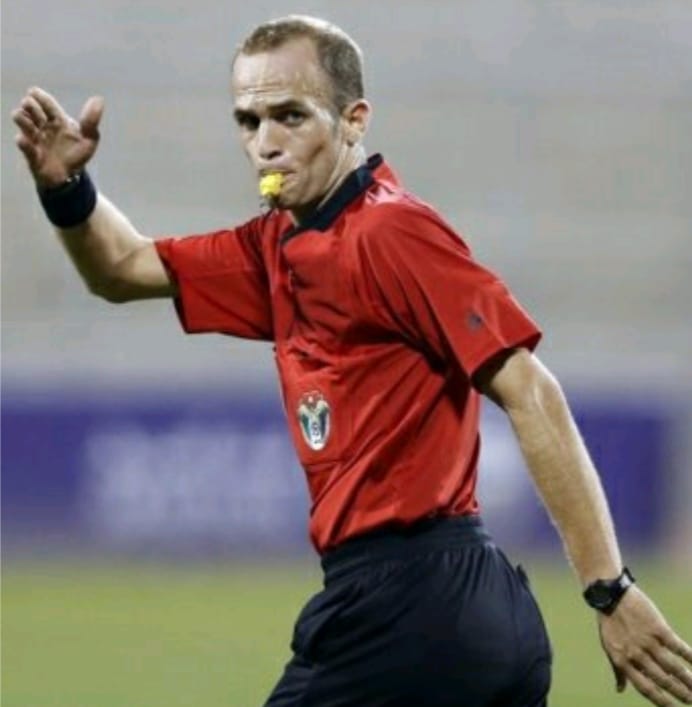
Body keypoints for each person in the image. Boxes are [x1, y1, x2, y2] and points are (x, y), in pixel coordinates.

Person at [12, 14, 692, 707]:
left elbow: (531, 390)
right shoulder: (274, 247)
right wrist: (67, 188)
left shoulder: (390, 232)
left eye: (290, 116)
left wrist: (610, 589)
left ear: (353, 120)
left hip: (413, 609)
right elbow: (121, 268)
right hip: (456, 616)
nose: (266, 142)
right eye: (248, 121)